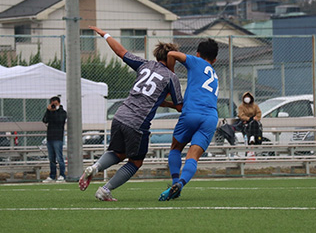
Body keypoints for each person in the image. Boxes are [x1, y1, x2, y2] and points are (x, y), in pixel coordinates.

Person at [79, 26, 183, 201]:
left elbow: (121, 52)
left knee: (118, 152)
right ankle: (105, 190)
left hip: (120, 116)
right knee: (135, 162)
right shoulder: (171, 78)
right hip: (137, 123)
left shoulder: (144, 64)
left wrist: (105, 34)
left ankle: (95, 167)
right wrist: (167, 103)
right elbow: (180, 106)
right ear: (173, 58)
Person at [158, 38, 219, 201]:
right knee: (193, 155)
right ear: (215, 60)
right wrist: (170, 104)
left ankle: (175, 181)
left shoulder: (196, 61)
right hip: (211, 117)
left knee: (176, 148)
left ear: (198, 54)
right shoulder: (214, 74)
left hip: (192, 113)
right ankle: (181, 184)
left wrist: (171, 76)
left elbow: (171, 54)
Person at [42, 96, 67, 183]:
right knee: (51, 158)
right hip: (50, 137)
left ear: (59, 103)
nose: (54, 105)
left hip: (58, 137)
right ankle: (52, 175)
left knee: (59, 157)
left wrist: (55, 111)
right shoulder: (50, 112)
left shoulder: (62, 112)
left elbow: (59, 121)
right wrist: (48, 111)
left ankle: (62, 175)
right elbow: (45, 120)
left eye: (55, 104)